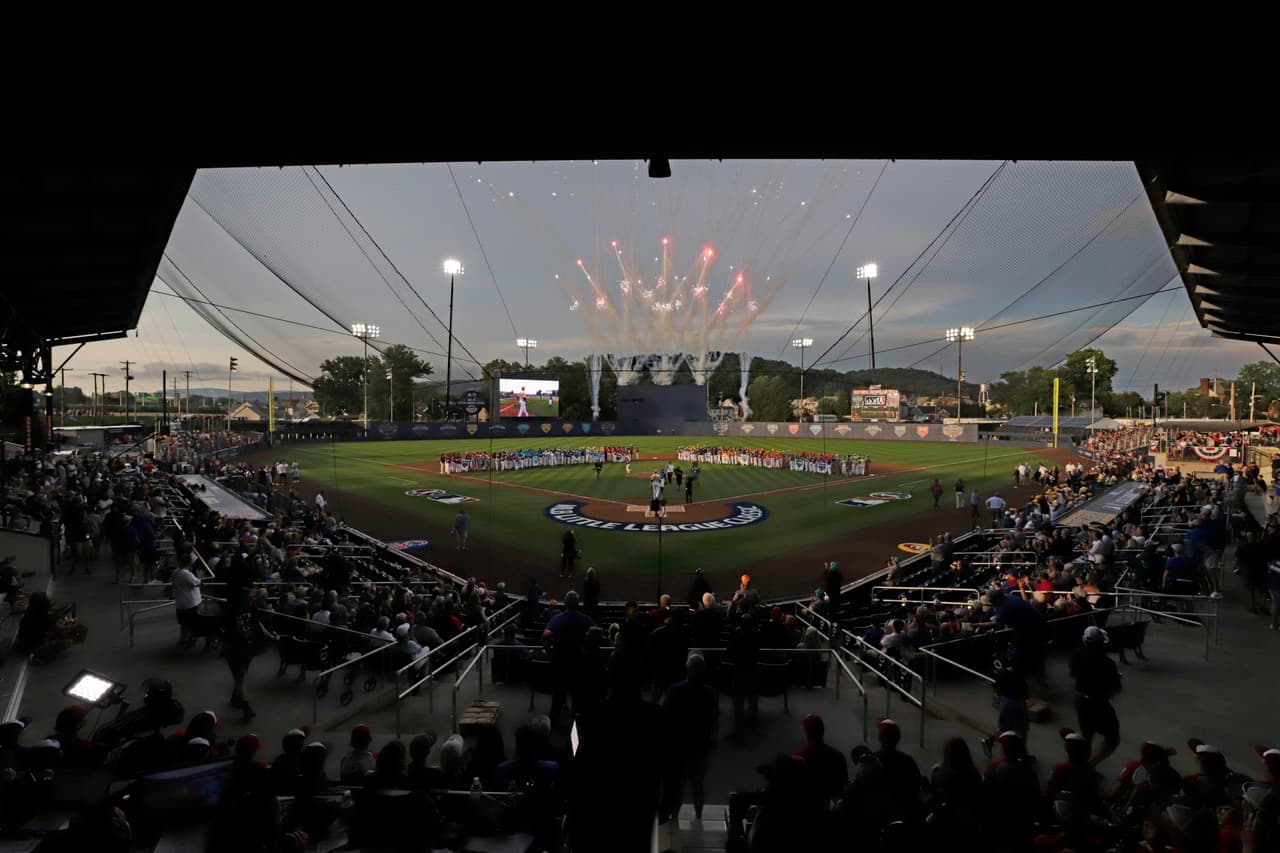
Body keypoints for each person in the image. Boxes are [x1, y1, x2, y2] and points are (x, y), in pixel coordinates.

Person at [661, 652, 718, 820]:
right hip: (699, 744)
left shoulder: (674, 690)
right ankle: (698, 816)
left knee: (678, 785)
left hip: (678, 744)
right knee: (697, 783)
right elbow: (714, 719)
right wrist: (714, 739)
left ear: (687, 669)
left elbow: (666, 716)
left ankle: (674, 818)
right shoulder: (710, 693)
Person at [1069, 625, 1122, 767]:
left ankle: (1080, 766)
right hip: (1099, 704)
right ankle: (1089, 766)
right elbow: (1116, 688)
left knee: (1087, 735)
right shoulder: (1108, 663)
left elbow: (1073, 674)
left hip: (1080, 700)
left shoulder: (1075, 654)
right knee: (1112, 738)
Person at [222, 587, 274, 722]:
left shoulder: (230, 609)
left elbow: (224, 627)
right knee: (240, 676)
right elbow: (257, 622)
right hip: (247, 645)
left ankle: (243, 704)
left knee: (239, 676)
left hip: (236, 646)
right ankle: (239, 701)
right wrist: (267, 635)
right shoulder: (250, 606)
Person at [171, 553, 202, 648]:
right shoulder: (186, 574)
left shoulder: (176, 572)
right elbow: (197, 583)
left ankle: (183, 638)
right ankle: (190, 639)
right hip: (189, 602)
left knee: (184, 623)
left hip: (181, 602)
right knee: (191, 622)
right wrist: (200, 576)